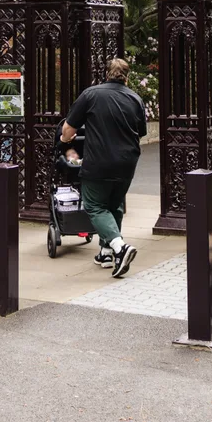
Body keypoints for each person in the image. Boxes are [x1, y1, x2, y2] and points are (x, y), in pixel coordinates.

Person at [60, 57, 147, 278]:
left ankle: (120, 247)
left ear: (106, 74)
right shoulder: (135, 98)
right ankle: (106, 253)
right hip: (127, 161)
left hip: (99, 161)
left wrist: (64, 139)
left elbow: (69, 128)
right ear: (127, 76)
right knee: (114, 205)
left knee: (95, 206)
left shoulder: (91, 94)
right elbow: (141, 131)